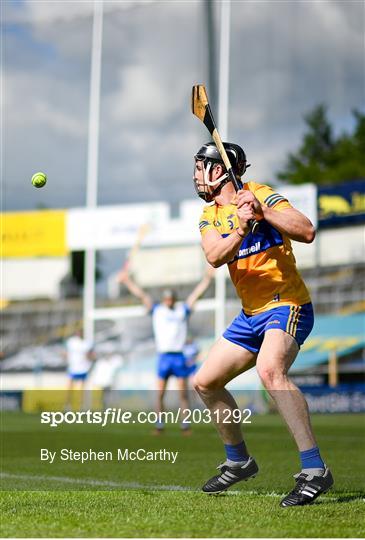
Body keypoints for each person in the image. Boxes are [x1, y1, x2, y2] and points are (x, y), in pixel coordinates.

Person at [192, 141, 333, 507]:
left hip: (286, 304)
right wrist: (239, 228)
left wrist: (261, 212)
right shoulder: (209, 216)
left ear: (220, 170)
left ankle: (315, 470)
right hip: (250, 315)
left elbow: (305, 230)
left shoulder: (261, 193)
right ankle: (239, 461)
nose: (194, 175)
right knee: (205, 382)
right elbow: (213, 256)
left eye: (199, 167)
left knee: (270, 371)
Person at [118, 266, 214, 434]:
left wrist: (207, 279)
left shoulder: (181, 310)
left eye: (171, 299)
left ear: (174, 299)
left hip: (178, 356)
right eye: (166, 299)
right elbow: (142, 295)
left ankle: (185, 425)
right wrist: (127, 281)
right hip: (163, 357)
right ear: (163, 300)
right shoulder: (157, 310)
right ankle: (159, 425)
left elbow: (195, 295)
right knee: (160, 393)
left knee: (183, 394)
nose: (169, 301)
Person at [64, 328, 94, 410]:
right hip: (73, 368)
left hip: (83, 368)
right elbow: (65, 353)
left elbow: (91, 355)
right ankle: (67, 406)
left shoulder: (87, 343)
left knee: (81, 389)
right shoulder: (71, 342)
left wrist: (90, 359)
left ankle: (81, 407)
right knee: (69, 388)